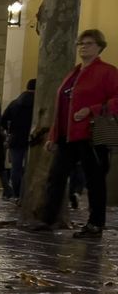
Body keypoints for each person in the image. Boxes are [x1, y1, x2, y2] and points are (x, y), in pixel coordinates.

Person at [31, 27, 118, 238]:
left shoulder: (107, 71)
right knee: (56, 177)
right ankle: (48, 219)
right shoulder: (74, 72)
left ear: (99, 47)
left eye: (88, 44)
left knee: (94, 180)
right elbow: (61, 106)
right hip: (67, 136)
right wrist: (53, 135)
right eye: (81, 44)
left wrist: (92, 110)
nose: (83, 47)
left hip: (92, 133)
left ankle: (95, 224)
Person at [2, 80, 36, 199]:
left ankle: (17, 193)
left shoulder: (14, 103)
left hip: (16, 138)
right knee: (30, 168)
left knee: (16, 168)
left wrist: (10, 130)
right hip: (33, 139)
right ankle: (28, 193)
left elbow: (3, 120)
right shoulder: (37, 103)